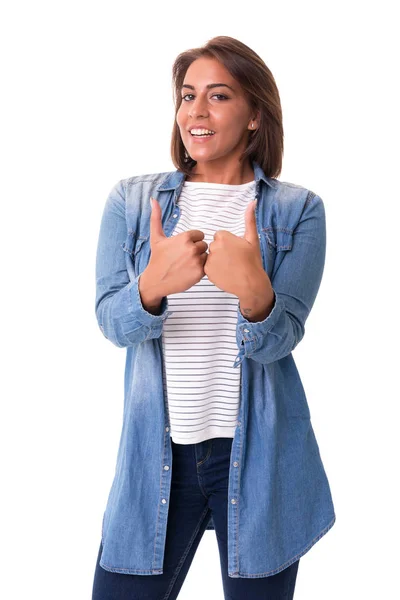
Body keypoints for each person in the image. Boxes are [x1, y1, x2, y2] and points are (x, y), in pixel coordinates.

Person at [91, 35, 336, 600]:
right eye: (186, 96)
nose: (195, 113)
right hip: (156, 454)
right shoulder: (133, 202)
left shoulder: (298, 210)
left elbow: (283, 338)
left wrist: (255, 293)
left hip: (259, 454)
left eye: (218, 96)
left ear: (254, 115)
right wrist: (152, 287)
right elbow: (110, 321)